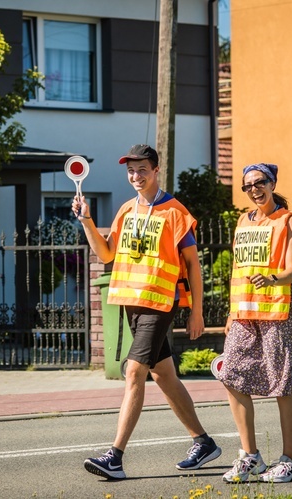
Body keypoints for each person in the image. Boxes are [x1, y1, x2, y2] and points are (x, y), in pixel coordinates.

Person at [73, 144, 221, 480]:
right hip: (132, 303)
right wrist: (86, 221)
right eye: (131, 171)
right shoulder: (126, 211)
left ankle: (115, 456)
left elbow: (193, 267)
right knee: (163, 375)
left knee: (134, 372)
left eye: (142, 170)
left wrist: (197, 311)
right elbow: (107, 254)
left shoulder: (175, 212)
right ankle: (203, 442)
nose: (136, 176)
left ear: (156, 170)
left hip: (160, 303)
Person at [217, 162, 292, 484]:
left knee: (282, 384)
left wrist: (271, 279)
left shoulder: (289, 221)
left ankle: (290, 461)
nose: (254, 189)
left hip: (279, 312)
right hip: (245, 314)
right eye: (248, 186)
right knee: (231, 374)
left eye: (260, 183)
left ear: (272, 184)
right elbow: (237, 270)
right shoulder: (243, 222)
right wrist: (231, 312)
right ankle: (251, 457)